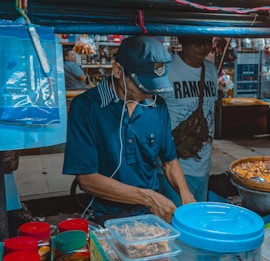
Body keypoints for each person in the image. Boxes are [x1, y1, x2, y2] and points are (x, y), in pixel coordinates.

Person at [63, 35, 196, 225]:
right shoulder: (86, 107)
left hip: (151, 214)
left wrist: (185, 194)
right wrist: (147, 197)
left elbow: (169, 161)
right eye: (143, 86)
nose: (149, 93)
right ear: (118, 71)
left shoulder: (157, 106)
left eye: (155, 87)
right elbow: (86, 179)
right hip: (107, 215)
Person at [158, 36, 218, 205]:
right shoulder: (166, 70)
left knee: (197, 221)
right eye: (195, 41)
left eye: (206, 42)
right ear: (182, 41)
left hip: (203, 165)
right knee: (177, 221)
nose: (202, 47)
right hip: (173, 166)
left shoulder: (211, 69)